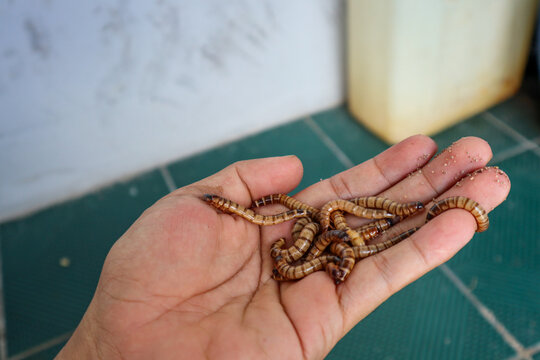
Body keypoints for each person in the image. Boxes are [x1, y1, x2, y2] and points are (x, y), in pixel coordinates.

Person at [55, 135, 510, 359]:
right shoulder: (298, 243)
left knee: (386, 223)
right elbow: (297, 239)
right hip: (331, 236)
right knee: (364, 229)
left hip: (340, 230)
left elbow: (318, 225)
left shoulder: (314, 227)